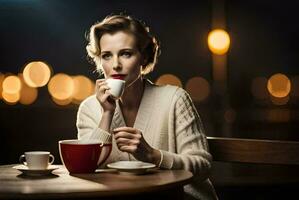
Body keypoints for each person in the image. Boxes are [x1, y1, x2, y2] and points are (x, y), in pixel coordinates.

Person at [76, 14, 218, 200]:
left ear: (143, 57)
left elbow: (202, 165)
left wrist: (153, 155)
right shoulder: (89, 108)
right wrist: (107, 114)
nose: (116, 65)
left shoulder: (175, 99)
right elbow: (84, 168)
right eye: (107, 56)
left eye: (126, 54)